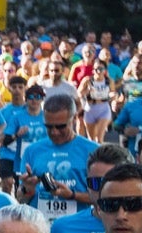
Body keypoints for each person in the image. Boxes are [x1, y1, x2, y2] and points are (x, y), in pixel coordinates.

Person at [18, 93, 99, 222]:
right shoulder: (32, 150)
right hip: (40, 226)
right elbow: (21, 199)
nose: (54, 132)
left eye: (61, 126)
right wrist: (27, 189)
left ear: (74, 120)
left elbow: (104, 197)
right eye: (49, 127)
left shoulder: (94, 151)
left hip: (78, 226)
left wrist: (72, 195)